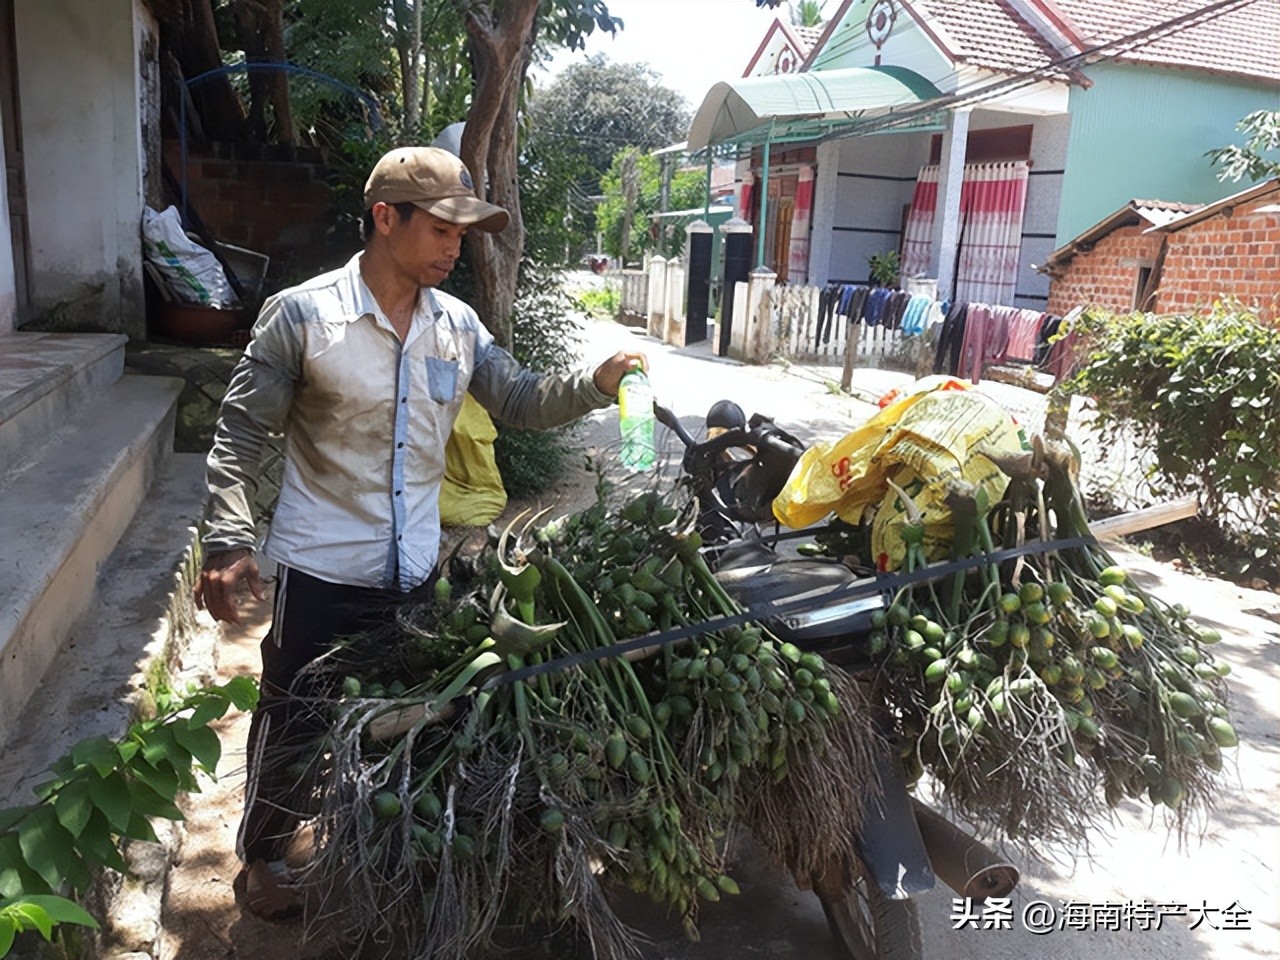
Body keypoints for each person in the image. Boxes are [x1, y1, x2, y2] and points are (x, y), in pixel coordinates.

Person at [195, 145, 645, 921]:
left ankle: (368, 855)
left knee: (401, 725)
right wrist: (229, 540)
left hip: (414, 573)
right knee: (295, 721)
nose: (454, 247)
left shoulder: (458, 327)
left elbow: (523, 399)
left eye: (462, 234)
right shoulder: (305, 317)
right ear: (384, 218)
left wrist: (595, 383)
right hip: (320, 568)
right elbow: (239, 436)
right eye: (441, 229)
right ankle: (262, 858)